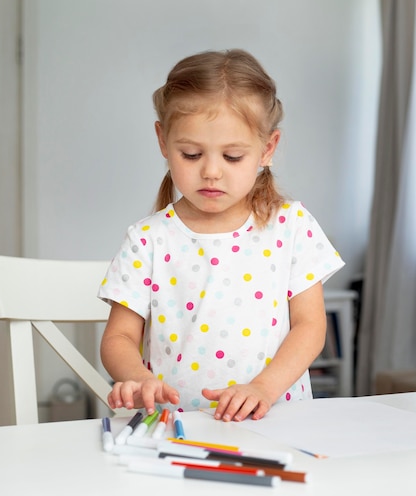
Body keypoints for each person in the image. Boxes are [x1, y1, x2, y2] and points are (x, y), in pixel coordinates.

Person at [99, 49, 344, 422]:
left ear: (267, 148)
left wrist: (263, 388)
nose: (211, 172)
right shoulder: (148, 238)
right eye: (192, 154)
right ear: (163, 142)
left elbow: (310, 327)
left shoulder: (292, 226)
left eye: (232, 157)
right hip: (176, 429)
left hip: (276, 421)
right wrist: (138, 378)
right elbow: (118, 339)